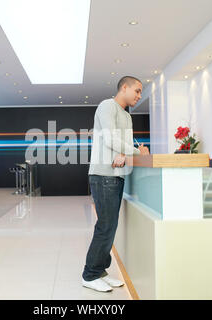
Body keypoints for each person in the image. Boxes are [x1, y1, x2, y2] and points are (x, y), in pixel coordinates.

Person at [83, 76, 150, 292]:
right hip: (103, 175)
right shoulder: (107, 106)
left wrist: (127, 151)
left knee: (110, 226)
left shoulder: (126, 116)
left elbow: (124, 145)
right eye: (137, 91)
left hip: (117, 175)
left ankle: (101, 271)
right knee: (105, 225)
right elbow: (111, 139)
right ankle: (89, 274)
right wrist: (137, 151)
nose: (139, 96)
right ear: (124, 87)